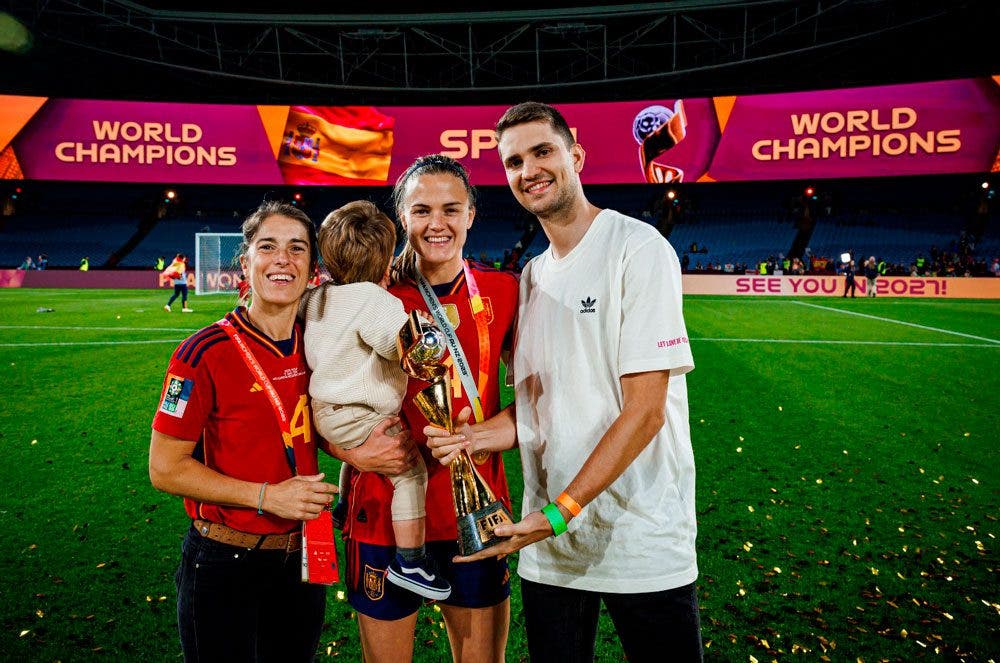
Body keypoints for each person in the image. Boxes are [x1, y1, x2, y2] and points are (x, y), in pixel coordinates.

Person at [426, 102, 702, 662]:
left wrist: (559, 513)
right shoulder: (532, 275)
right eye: (513, 162)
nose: (529, 169)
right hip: (548, 543)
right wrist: (471, 438)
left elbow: (645, 411)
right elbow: (536, 408)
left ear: (576, 156)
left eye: (542, 151)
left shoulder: (638, 248)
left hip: (637, 535)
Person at [149, 201, 416, 661]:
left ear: (315, 268)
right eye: (267, 246)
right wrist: (265, 496)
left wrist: (354, 453)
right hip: (224, 561)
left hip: (303, 558)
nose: (282, 259)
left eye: (297, 248)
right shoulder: (201, 354)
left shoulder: (319, 341)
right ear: (246, 260)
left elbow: (301, 430)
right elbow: (165, 469)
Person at [342, 154, 518, 663]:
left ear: (471, 215)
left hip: (477, 511)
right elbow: (320, 401)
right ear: (402, 217)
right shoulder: (367, 296)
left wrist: (483, 434)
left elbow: (540, 402)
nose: (436, 224)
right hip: (382, 509)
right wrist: (352, 453)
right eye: (421, 210)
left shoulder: (506, 291)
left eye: (450, 209)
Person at [301, 200, 450, 601]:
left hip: (325, 412)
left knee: (358, 452)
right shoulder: (375, 300)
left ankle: (343, 503)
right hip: (362, 413)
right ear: (385, 257)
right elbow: (402, 346)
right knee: (409, 473)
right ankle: (411, 560)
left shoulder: (317, 297)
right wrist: (428, 337)